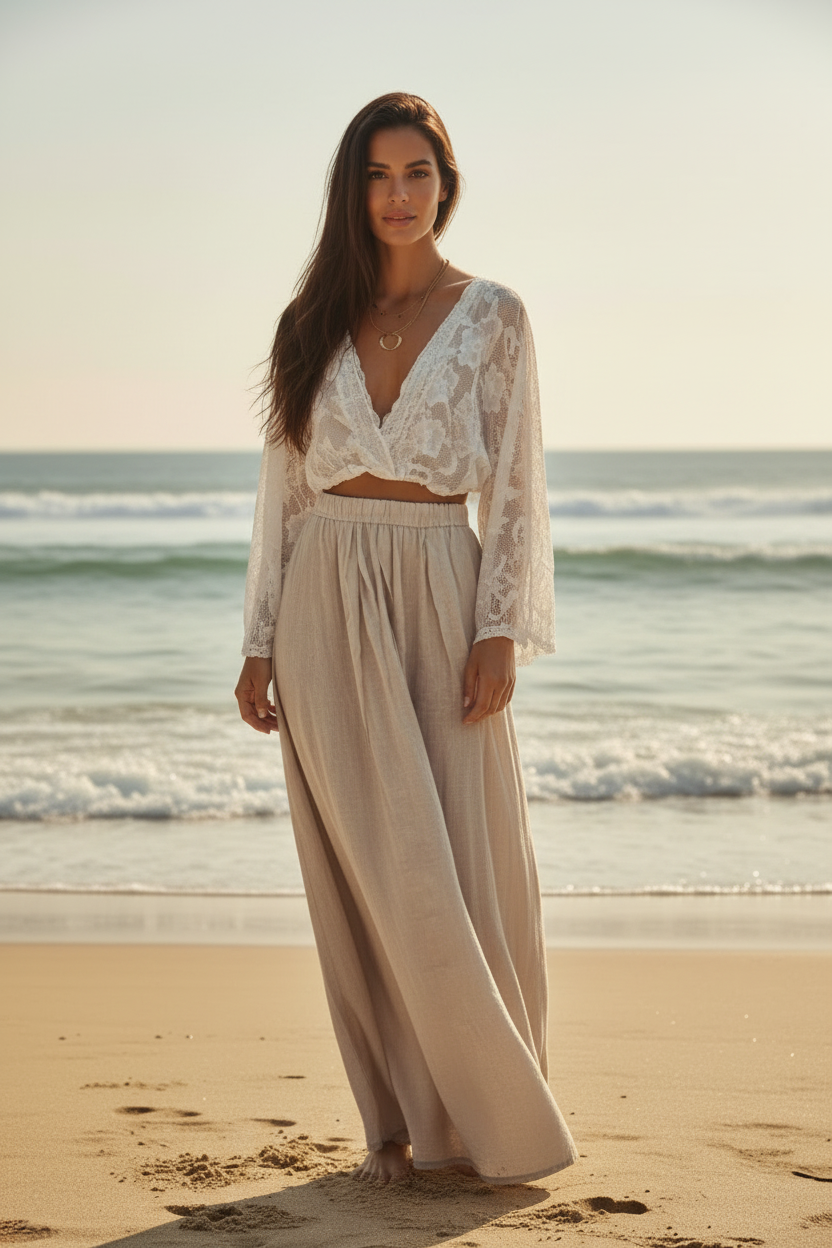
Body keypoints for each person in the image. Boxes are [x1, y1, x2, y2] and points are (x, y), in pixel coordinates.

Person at [234, 92, 578, 1186]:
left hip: (441, 578)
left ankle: (492, 1115)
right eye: (377, 176)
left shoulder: (492, 316)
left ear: (446, 180)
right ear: (353, 191)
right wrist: (258, 638)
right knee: (365, 871)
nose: (398, 195)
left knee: (459, 857)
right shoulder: (308, 324)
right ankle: (391, 1122)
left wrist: (501, 627)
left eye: (416, 173)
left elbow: (517, 481)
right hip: (324, 594)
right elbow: (282, 490)